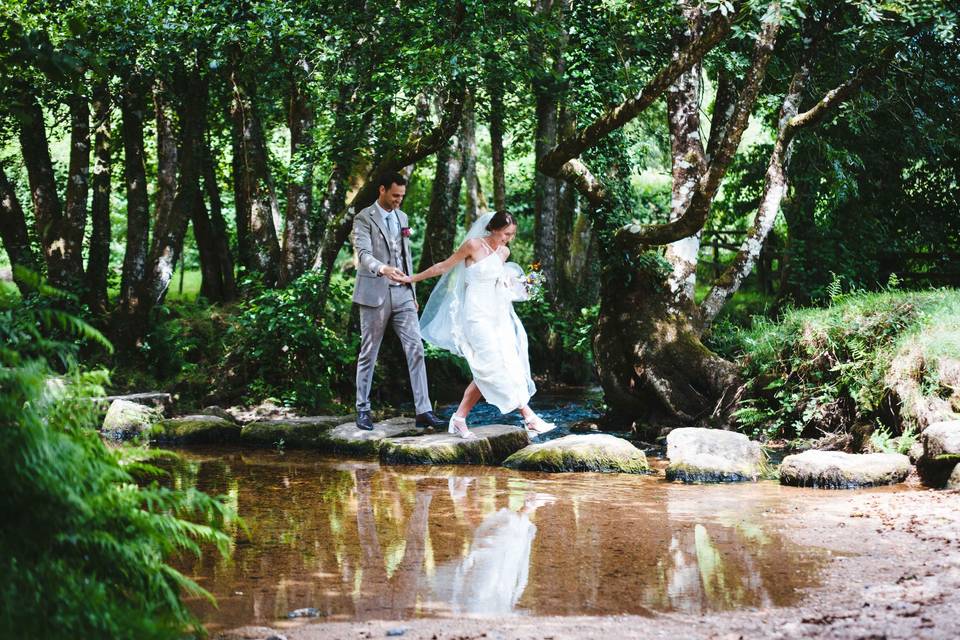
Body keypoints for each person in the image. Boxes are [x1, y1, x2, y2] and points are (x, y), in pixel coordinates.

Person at [402, 211, 555, 439]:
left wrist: (522, 286)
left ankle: (459, 418)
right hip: (475, 315)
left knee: (495, 366)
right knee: (491, 365)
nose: (508, 238)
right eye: (506, 233)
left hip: (496, 315)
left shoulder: (504, 252)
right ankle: (529, 417)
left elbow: (500, 284)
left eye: (511, 234)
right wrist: (410, 279)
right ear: (494, 228)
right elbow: (443, 267)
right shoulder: (473, 245)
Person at [351, 172, 445, 431]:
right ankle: (363, 408)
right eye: (395, 196)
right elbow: (364, 255)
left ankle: (423, 410)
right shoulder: (363, 218)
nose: (398, 201)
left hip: (403, 293)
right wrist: (383, 268)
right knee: (369, 351)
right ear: (381, 190)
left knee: (416, 348)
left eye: (402, 196)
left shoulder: (403, 218)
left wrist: (412, 293)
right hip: (374, 294)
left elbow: (407, 258)